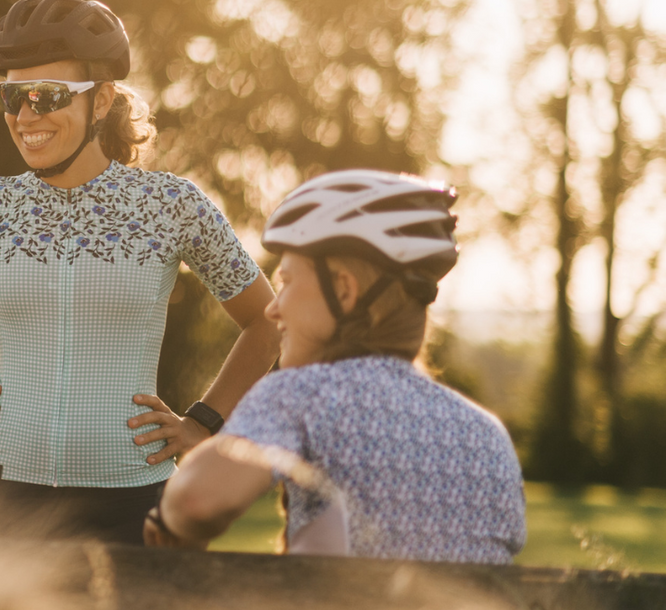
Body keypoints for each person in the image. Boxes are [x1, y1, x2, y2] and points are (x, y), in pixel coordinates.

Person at [0, 0, 279, 610]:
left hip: (138, 501)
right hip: (4, 503)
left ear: (101, 100)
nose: (25, 116)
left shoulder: (170, 205)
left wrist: (203, 422)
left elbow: (267, 319)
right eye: (11, 99)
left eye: (46, 96)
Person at [144, 170, 526, 568]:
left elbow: (196, 500)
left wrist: (169, 521)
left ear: (344, 290)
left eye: (288, 282)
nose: (273, 307)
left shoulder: (303, 394)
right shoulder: (488, 436)